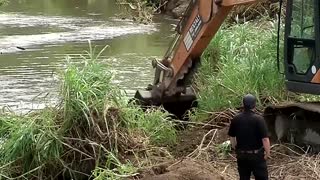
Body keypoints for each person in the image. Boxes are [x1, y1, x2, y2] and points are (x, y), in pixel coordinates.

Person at [228, 94, 270, 180]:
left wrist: (235, 147)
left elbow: (232, 136)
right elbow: (265, 139)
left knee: (243, 177)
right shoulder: (259, 119)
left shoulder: (236, 119)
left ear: (243, 104)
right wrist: (267, 152)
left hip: (242, 155)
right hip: (256, 156)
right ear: (254, 105)